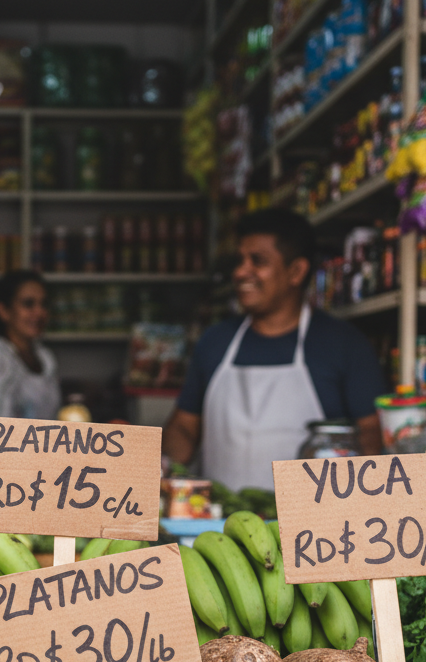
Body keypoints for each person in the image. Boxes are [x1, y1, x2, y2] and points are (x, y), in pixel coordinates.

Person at [163, 208, 385, 490]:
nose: (241, 271)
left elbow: (372, 433)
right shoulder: (215, 341)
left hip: (309, 529)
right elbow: (185, 426)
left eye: (258, 261)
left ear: (296, 271)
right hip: (214, 526)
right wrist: (164, 464)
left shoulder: (343, 344)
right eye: (240, 260)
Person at [0, 269, 61, 419]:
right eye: (28, 304)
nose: (39, 312)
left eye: (43, 304)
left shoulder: (45, 357)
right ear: (3, 311)